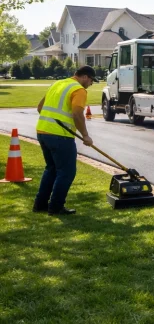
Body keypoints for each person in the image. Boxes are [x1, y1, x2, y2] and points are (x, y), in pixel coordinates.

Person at [33, 66, 98, 215]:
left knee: (51, 169)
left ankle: (40, 204)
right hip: (60, 136)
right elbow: (77, 114)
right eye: (91, 81)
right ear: (85, 77)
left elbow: (40, 107)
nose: (90, 84)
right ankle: (55, 207)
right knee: (66, 172)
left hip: (43, 132)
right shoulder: (79, 90)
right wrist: (85, 135)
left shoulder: (57, 84)